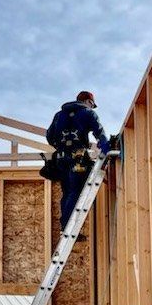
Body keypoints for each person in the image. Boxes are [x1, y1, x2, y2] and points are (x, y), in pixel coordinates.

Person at [46, 91, 110, 236]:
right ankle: (69, 228)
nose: (92, 107)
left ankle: (64, 227)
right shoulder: (88, 113)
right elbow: (99, 133)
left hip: (61, 159)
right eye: (92, 105)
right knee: (75, 191)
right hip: (78, 158)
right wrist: (105, 147)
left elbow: (50, 137)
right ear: (88, 101)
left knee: (67, 192)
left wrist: (61, 145)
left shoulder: (59, 115)